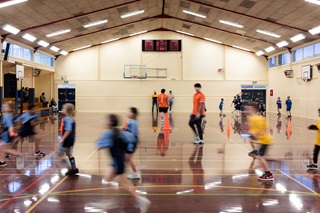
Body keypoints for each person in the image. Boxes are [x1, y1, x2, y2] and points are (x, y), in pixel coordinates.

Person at [97, 114, 151, 212]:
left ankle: (109, 202)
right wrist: (127, 150)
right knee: (122, 182)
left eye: (106, 119)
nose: (104, 121)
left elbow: (100, 144)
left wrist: (102, 144)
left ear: (111, 122)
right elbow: (132, 139)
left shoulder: (108, 134)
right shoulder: (119, 132)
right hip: (120, 161)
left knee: (109, 180)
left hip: (117, 162)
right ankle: (141, 199)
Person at [247, 103, 274, 181]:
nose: (248, 111)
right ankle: (267, 173)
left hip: (265, 141)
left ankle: (268, 174)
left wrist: (254, 139)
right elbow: (269, 128)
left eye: (250, 109)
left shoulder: (257, 119)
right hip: (265, 140)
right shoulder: (256, 118)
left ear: (254, 110)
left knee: (261, 158)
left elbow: (259, 131)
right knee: (261, 157)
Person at [56, 103, 79, 176]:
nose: (62, 110)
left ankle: (69, 168)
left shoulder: (66, 119)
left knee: (59, 154)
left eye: (63, 109)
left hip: (66, 140)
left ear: (67, 111)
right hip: (71, 140)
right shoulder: (72, 119)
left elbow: (68, 130)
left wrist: (63, 139)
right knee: (69, 154)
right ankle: (74, 168)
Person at [0, 103, 22, 167]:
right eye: (3, 107)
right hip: (5, 134)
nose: (3, 108)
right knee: (2, 149)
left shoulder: (6, 116)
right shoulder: (8, 115)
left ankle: (18, 154)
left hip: (6, 134)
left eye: (5, 107)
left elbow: (10, 126)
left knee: (5, 149)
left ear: (9, 109)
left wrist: (11, 133)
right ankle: (2, 161)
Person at [122, 107, 140, 180]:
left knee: (129, 158)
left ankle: (135, 173)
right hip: (130, 141)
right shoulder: (131, 121)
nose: (128, 113)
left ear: (133, 114)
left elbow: (133, 134)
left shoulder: (133, 122)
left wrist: (130, 145)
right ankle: (134, 172)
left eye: (130, 112)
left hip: (131, 142)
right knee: (128, 158)